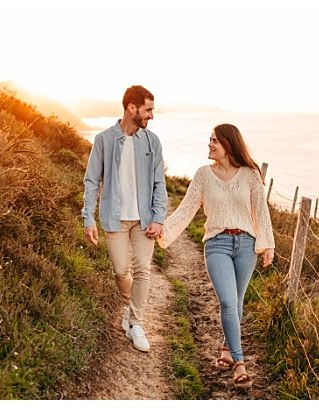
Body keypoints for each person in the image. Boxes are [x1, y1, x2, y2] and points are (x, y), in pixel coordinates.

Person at [156, 123, 275, 388]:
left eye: (214, 141)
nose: (209, 145)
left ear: (228, 145)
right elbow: (186, 209)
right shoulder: (203, 175)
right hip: (217, 244)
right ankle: (240, 363)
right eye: (209, 140)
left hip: (246, 244)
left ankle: (225, 349)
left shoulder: (250, 175)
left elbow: (261, 211)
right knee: (228, 303)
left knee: (237, 302)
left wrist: (268, 244)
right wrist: (163, 230)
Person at [82, 85, 166, 352]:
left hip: (145, 220)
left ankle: (136, 324)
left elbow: (159, 183)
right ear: (132, 108)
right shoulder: (104, 140)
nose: (151, 116)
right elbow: (92, 181)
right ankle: (131, 310)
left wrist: (159, 218)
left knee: (143, 270)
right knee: (121, 271)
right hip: (115, 218)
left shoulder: (152, 142)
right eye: (148, 109)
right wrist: (88, 218)